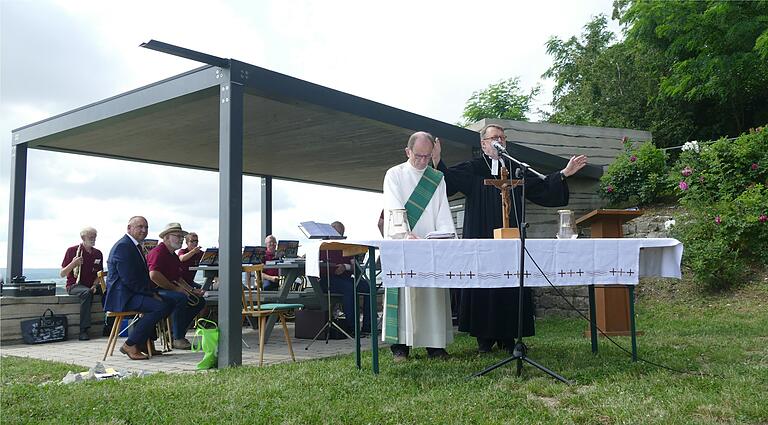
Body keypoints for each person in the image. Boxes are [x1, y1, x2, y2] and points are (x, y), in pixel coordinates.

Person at [432, 123, 588, 353]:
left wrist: (564, 174)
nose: (500, 141)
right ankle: (484, 339)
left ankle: (508, 336)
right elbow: (449, 182)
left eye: (503, 138)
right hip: (483, 235)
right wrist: (437, 162)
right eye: (495, 137)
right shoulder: (474, 167)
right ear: (484, 144)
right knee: (484, 281)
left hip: (511, 237)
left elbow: (541, 187)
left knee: (511, 281)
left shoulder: (516, 169)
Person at [382, 131, 456, 361]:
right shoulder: (394, 174)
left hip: (429, 244)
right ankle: (400, 346)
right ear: (408, 152)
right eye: (418, 156)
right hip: (403, 243)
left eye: (427, 156)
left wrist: (444, 236)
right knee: (403, 294)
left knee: (431, 294)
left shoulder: (437, 178)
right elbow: (393, 207)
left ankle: (434, 345)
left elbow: (442, 210)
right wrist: (405, 234)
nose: (423, 161)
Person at [104, 216, 174, 360]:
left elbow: (140, 277)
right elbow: (129, 279)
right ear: (129, 228)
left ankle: (145, 343)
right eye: (140, 227)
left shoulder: (134, 245)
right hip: (123, 296)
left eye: (146, 227)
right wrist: (150, 294)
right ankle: (130, 344)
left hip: (132, 293)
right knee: (159, 307)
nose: (144, 230)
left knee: (168, 302)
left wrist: (152, 292)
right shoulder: (123, 246)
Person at [147, 223, 206, 349]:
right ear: (166, 237)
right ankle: (178, 338)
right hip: (153, 291)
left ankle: (174, 332)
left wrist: (192, 290)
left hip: (166, 288)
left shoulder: (173, 255)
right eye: (177, 236)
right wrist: (176, 289)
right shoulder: (159, 252)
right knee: (181, 297)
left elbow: (178, 277)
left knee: (199, 301)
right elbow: (154, 275)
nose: (180, 239)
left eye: (181, 236)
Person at [318, 221, 371, 334]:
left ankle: (368, 325)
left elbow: (354, 266)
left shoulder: (345, 246)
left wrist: (345, 267)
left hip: (345, 278)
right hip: (328, 279)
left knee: (367, 286)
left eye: (341, 234)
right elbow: (319, 266)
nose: (339, 236)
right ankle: (352, 327)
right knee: (349, 288)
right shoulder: (322, 246)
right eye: (337, 233)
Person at [59, 226, 104, 341]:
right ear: (83, 237)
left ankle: (109, 324)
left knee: (108, 291)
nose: (93, 239)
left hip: (91, 285)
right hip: (74, 285)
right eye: (90, 237)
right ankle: (83, 330)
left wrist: (95, 285)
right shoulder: (72, 250)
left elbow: (99, 274)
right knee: (87, 293)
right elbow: (62, 274)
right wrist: (74, 264)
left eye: (94, 237)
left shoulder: (98, 253)